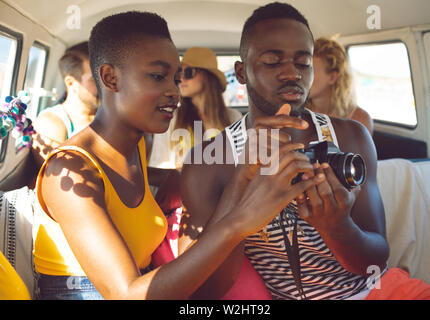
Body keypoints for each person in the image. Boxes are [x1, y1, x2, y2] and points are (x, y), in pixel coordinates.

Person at [32, 10, 322, 300]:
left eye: (174, 79)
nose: (174, 92)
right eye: (158, 77)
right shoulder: (70, 173)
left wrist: (241, 175)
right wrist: (241, 221)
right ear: (110, 78)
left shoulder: (133, 148)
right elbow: (128, 295)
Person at [179, 2, 430, 300]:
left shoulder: (350, 136)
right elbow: (204, 293)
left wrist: (337, 226)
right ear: (241, 73)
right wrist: (242, 208)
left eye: (303, 62)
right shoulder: (208, 163)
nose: (291, 73)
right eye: (272, 61)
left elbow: (375, 263)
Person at [149, 47, 242, 170]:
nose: (181, 79)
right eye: (179, 73)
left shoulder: (234, 117)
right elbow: (159, 163)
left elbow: (241, 163)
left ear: (207, 76)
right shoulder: (171, 116)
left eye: (188, 72)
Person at [32, 42, 99, 168]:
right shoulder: (50, 123)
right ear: (71, 83)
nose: (105, 86)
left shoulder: (109, 116)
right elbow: (61, 180)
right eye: (95, 79)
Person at [306, 37, 374, 135]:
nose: (302, 77)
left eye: (311, 71)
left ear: (332, 77)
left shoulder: (359, 120)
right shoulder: (297, 112)